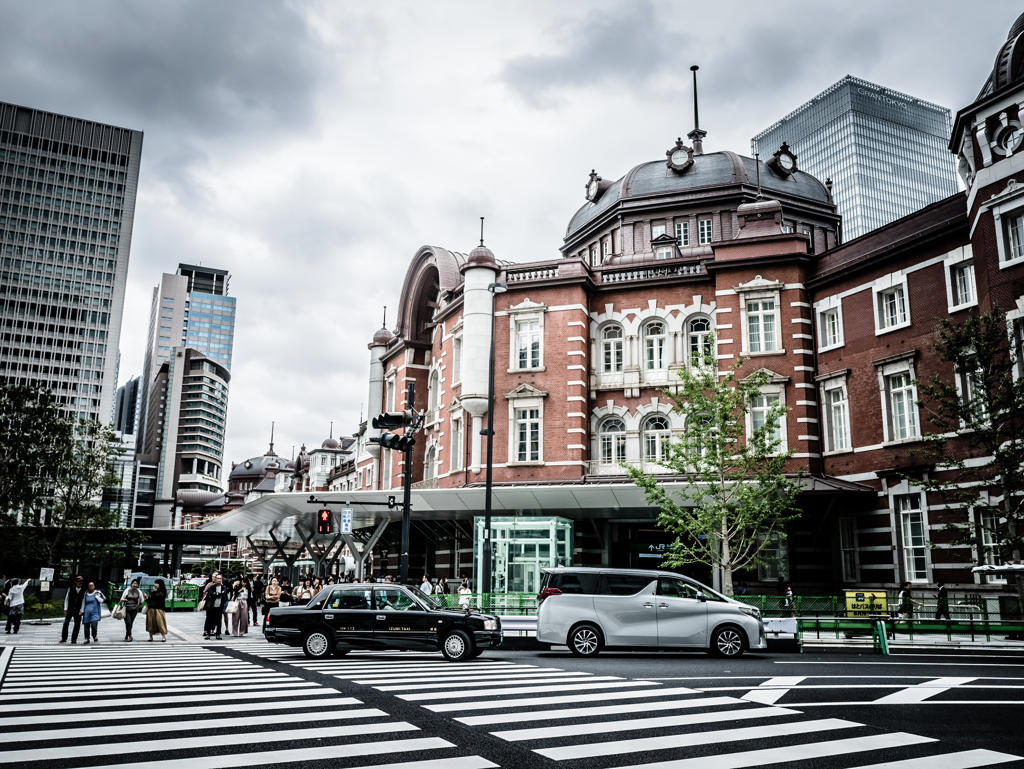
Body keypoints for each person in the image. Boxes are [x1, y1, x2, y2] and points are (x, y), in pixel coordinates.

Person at [61, 575, 87, 644]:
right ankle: (64, 638)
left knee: (77, 624)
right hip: (70, 608)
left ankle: (74, 639)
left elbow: (83, 601)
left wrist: (82, 610)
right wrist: (65, 608)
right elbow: (67, 598)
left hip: (78, 610)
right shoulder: (71, 588)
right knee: (66, 622)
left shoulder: (84, 590)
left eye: (82, 581)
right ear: (76, 582)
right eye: (79, 581)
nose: (81, 582)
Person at [201, 572, 227, 640]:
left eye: (220, 578)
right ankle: (208, 634)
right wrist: (219, 594)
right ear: (215, 579)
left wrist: (217, 594)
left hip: (219, 607)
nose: (219, 580)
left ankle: (218, 634)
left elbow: (224, 596)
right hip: (211, 606)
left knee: (219, 621)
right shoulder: (212, 587)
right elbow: (211, 594)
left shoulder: (223, 587)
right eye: (217, 578)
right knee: (210, 620)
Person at [120, 578, 144, 642]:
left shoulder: (139, 592)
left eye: (136, 584)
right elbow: (122, 599)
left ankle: (127, 634)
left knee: (130, 623)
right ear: (131, 584)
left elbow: (142, 601)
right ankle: (130, 636)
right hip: (126, 608)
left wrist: (138, 607)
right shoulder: (127, 590)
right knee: (128, 622)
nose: (135, 585)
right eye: (134, 583)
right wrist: (124, 600)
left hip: (134, 609)